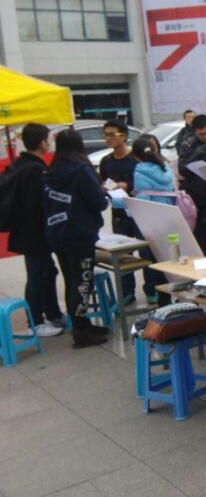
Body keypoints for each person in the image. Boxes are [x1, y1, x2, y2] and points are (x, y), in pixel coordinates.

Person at [43, 129, 111, 348]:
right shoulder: (81, 170)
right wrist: (104, 194)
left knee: (72, 281)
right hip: (80, 235)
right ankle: (81, 333)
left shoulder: (52, 171)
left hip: (58, 234)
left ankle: (82, 324)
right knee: (82, 283)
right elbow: (98, 202)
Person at [6, 123, 65, 336]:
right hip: (34, 233)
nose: (49, 142)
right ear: (41, 143)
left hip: (26, 231)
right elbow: (37, 205)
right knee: (38, 275)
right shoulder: (35, 169)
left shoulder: (20, 164)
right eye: (48, 139)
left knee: (48, 271)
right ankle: (35, 322)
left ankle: (54, 314)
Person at [99, 119, 154, 304]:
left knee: (146, 252)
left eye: (112, 134)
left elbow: (146, 182)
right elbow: (103, 182)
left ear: (123, 136)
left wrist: (127, 185)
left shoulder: (135, 159)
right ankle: (127, 292)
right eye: (105, 134)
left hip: (139, 212)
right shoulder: (106, 161)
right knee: (122, 255)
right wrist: (106, 188)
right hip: (119, 214)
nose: (108, 138)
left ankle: (151, 289)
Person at [179, 114, 206, 254]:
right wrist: (196, 155)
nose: (205, 137)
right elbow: (182, 170)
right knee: (197, 233)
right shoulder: (188, 144)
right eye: (201, 134)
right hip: (195, 195)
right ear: (195, 132)